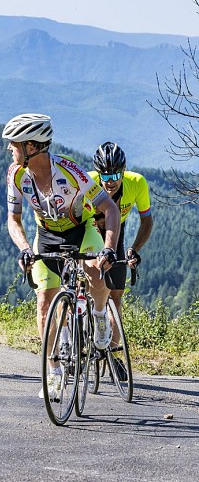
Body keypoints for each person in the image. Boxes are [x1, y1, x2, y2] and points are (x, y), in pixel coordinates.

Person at [3, 113, 121, 399]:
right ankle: (53, 370)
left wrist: (108, 247)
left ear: (32, 146)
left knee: (94, 272)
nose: (9, 148)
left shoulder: (71, 173)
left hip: (81, 229)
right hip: (46, 234)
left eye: (14, 143)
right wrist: (25, 249)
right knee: (44, 301)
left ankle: (100, 313)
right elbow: (14, 219)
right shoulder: (16, 174)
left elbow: (110, 210)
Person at [89, 141, 152, 366]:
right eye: (104, 177)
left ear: (124, 171)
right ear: (98, 175)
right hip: (89, 229)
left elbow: (147, 221)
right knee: (81, 283)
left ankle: (114, 355)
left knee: (115, 296)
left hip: (115, 231)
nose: (110, 182)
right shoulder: (87, 182)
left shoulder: (137, 183)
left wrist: (135, 248)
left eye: (116, 176)